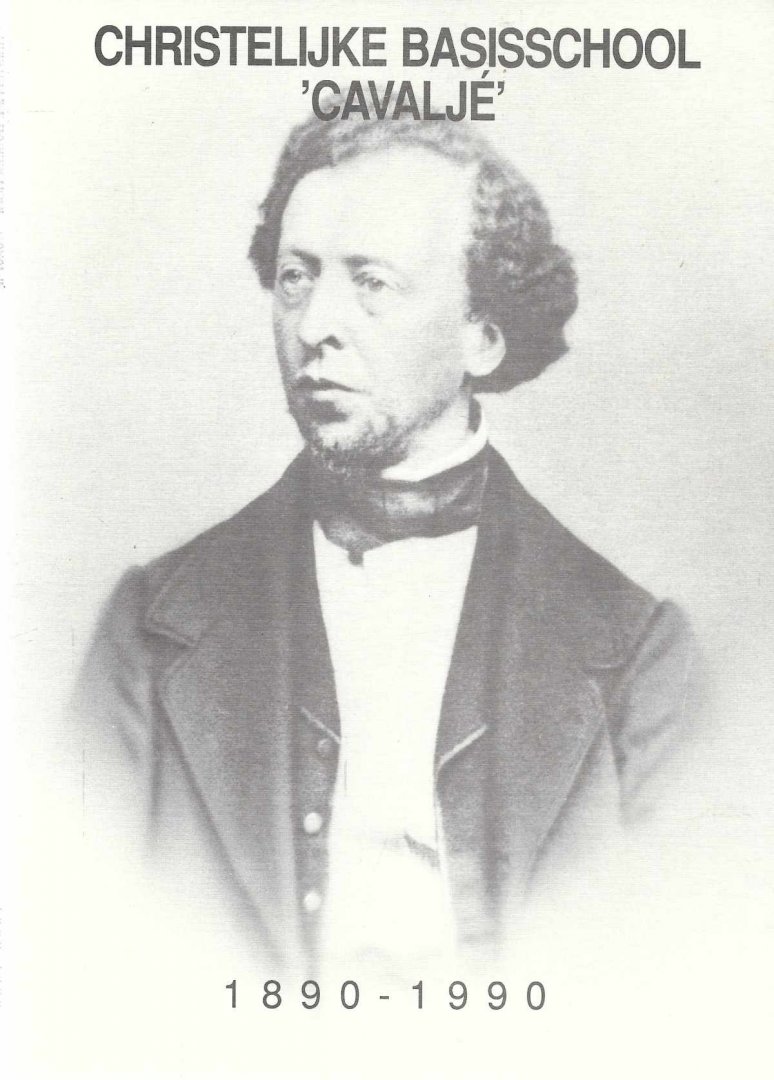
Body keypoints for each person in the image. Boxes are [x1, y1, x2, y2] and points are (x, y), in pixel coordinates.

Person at [75, 107, 699, 977]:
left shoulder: (637, 656)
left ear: (482, 336)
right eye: (295, 278)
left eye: (373, 281)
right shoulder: (150, 634)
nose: (314, 325)